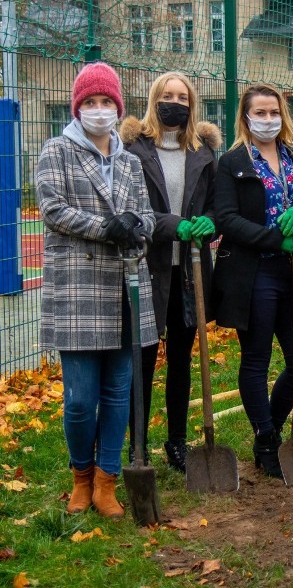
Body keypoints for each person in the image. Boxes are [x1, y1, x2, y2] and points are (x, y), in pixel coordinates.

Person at [36, 62, 158, 518]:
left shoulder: (128, 161)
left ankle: (107, 481)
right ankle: (80, 476)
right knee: (81, 398)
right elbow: (53, 208)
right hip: (77, 293)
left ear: (118, 107)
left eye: (107, 102)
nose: (99, 110)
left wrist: (134, 225)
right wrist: (108, 226)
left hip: (125, 289)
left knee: (118, 392)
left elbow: (145, 216)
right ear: (77, 107)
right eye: (91, 102)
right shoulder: (58, 150)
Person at [212, 84, 293, 479]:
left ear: (283, 115)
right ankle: (265, 439)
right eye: (259, 113)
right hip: (254, 273)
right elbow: (227, 219)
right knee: (257, 359)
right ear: (245, 118)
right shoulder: (231, 162)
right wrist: (276, 237)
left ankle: (273, 426)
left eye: (273, 112)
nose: (267, 119)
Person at [120, 72, 222, 472]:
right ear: (154, 99)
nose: (174, 102)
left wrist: (206, 225)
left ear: (191, 103)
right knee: (142, 361)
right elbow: (129, 204)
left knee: (181, 361)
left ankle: (177, 442)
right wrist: (170, 224)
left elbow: (216, 206)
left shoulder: (203, 152)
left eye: (181, 96)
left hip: (189, 271)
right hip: (147, 268)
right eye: (167, 95)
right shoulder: (133, 149)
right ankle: (137, 445)